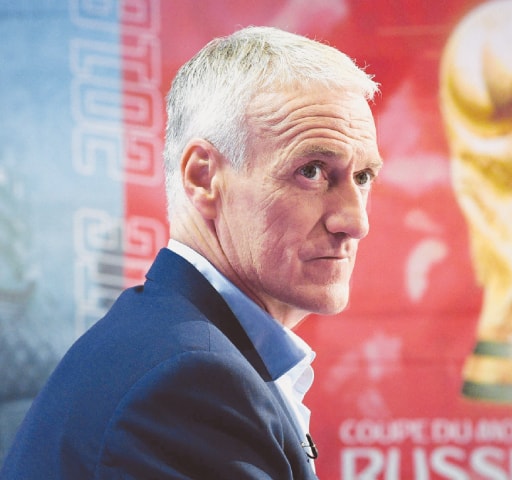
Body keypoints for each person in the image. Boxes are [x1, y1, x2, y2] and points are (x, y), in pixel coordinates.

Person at [0, 26, 381, 479]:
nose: (355, 221)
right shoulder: (191, 379)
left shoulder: (174, 347)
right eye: (312, 171)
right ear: (203, 178)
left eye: (363, 177)